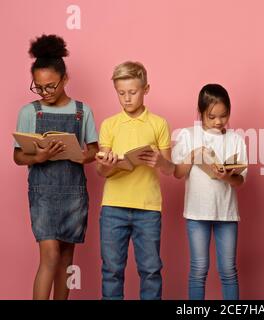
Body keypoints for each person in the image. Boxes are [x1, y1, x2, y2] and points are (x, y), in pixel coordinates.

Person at [13, 34, 99, 300]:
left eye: (50, 86)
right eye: (39, 87)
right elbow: (18, 156)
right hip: (43, 194)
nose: (45, 93)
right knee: (49, 255)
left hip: (74, 194)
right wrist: (37, 158)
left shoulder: (82, 111)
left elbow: (93, 150)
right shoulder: (30, 112)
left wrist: (83, 157)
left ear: (65, 79)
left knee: (65, 260)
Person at [96, 61, 175, 300]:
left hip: (148, 209)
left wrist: (159, 162)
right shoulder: (109, 124)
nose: (127, 98)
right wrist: (108, 165)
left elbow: (170, 169)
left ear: (146, 89)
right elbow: (102, 172)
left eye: (133, 92)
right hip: (113, 207)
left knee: (150, 271)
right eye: (121, 93)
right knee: (111, 271)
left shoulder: (159, 124)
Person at [172, 84, 248, 300]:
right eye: (211, 116)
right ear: (201, 112)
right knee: (198, 270)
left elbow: (240, 180)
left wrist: (226, 176)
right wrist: (194, 156)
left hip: (226, 213)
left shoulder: (236, 139)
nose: (218, 122)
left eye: (223, 116)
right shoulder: (188, 135)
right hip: (197, 214)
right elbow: (177, 173)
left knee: (228, 271)